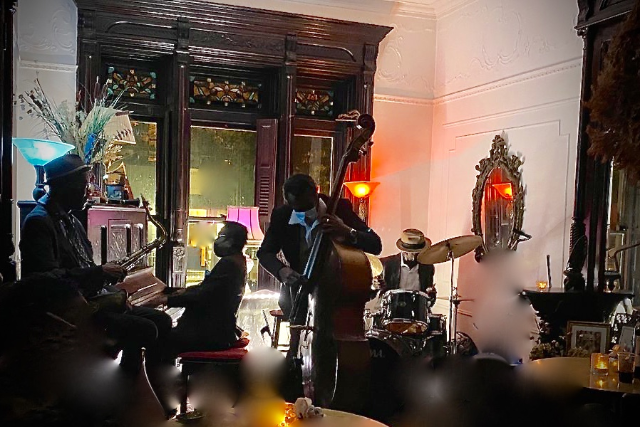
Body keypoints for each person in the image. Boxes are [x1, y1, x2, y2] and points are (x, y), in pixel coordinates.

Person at [19, 155, 172, 397]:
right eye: (83, 185)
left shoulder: (72, 219)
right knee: (143, 328)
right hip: (68, 312)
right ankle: (123, 393)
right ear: (64, 186)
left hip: (91, 301)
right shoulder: (39, 221)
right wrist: (99, 273)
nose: (88, 192)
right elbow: (45, 280)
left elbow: (85, 265)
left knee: (161, 321)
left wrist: (112, 292)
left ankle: (155, 392)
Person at [257, 173, 383, 323]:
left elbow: (375, 244)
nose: (303, 213)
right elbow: (264, 253)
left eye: (307, 207)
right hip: (298, 297)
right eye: (297, 209)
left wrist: (347, 231)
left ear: (315, 193)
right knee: (299, 334)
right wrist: (281, 270)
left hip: (336, 296)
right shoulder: (282, 215)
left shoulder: (339, 208)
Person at [146, 221, 248, 357]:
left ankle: (153, 371)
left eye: (220, 236)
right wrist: (181, 291)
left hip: (209, 334)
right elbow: (210, 289)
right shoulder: (237, 260)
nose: (216, 241)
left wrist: (167, 300)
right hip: (217, 330)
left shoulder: (229, 263)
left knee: (154, 338)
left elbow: (203, 296)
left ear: (230, 241)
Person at [379, 229, 436, 302]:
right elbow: (373, 295)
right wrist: (374, 287)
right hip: (392, 306)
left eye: (418, 252)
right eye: (413, 252)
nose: (416, 255)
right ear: (403, 251)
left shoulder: (427, 267)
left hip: (416, 308)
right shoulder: (386, 264)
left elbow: (428, 302)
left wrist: (431, 295)